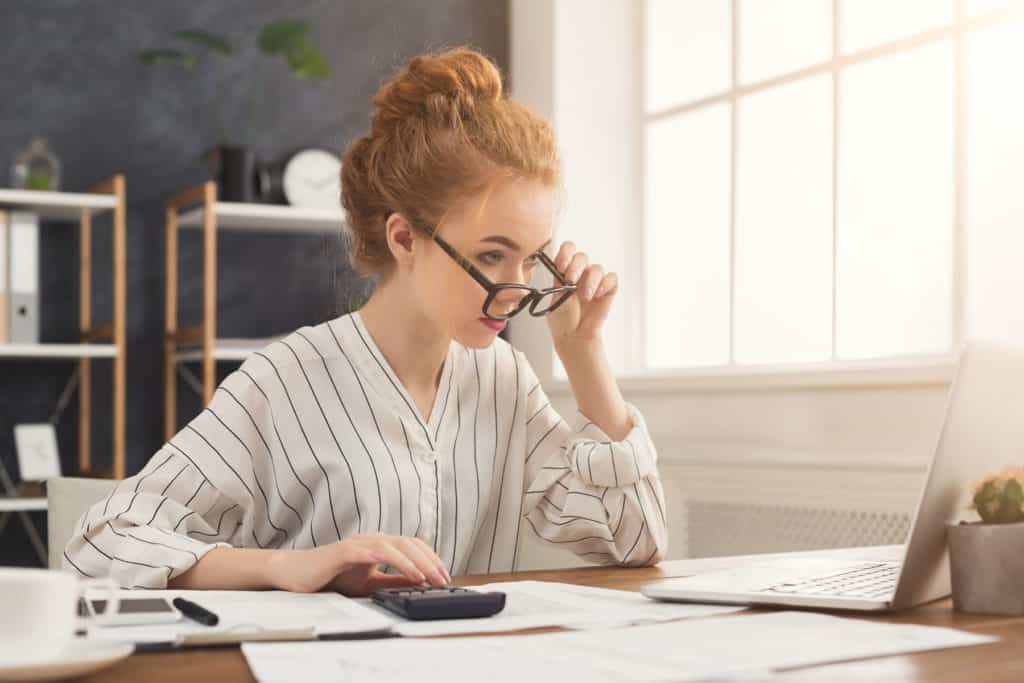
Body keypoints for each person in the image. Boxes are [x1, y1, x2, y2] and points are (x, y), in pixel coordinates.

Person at [64, 47, 668, 596]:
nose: (518, 291)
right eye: (491, 256)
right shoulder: (285, 379)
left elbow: (636, 543)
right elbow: (100, 546)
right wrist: (285, 567)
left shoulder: (504, 381)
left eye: (531, 258)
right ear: (404, 238)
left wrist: (583, 353)